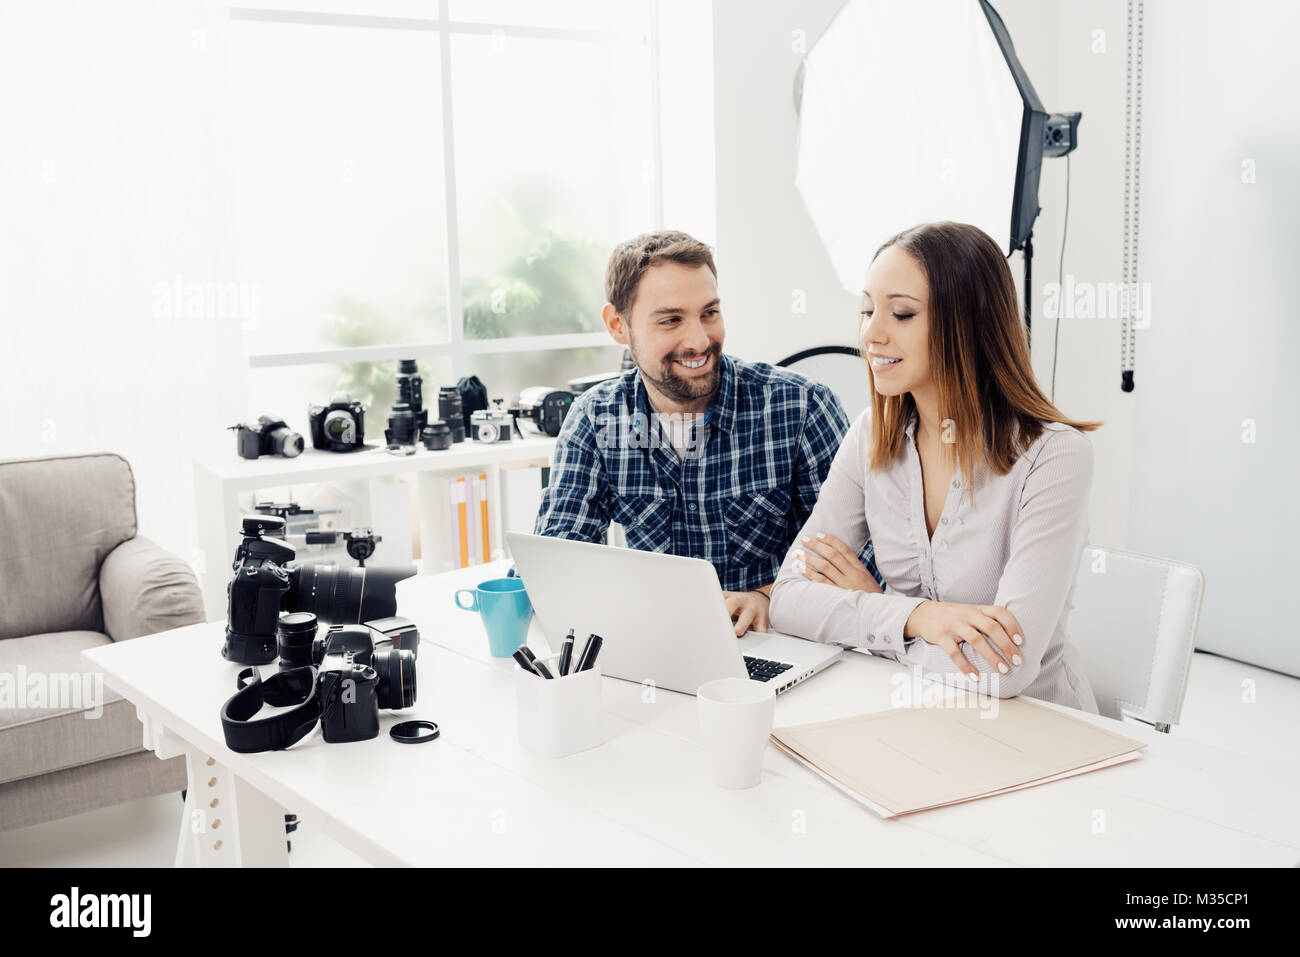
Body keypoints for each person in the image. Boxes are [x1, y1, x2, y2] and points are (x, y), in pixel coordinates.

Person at [768, 221, 1101, 711]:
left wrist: (873, 617)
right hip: (911, 710)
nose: (871, 334)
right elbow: (789, 601)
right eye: (867, 310)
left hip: (1035, 723)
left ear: (968, 323)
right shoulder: (870, 436)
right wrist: (917, 617)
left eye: (901, 313)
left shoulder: (1054, 457)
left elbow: (1001, 670)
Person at [535, 229, 882, 636]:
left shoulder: (800, 407)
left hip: (782, 641)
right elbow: (558, 562)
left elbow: (864, 555)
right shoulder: (595, 419)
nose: (699, 340)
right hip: (658, 647)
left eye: (709, 313)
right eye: (671, 320)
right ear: (618, 325)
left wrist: (770, 596)